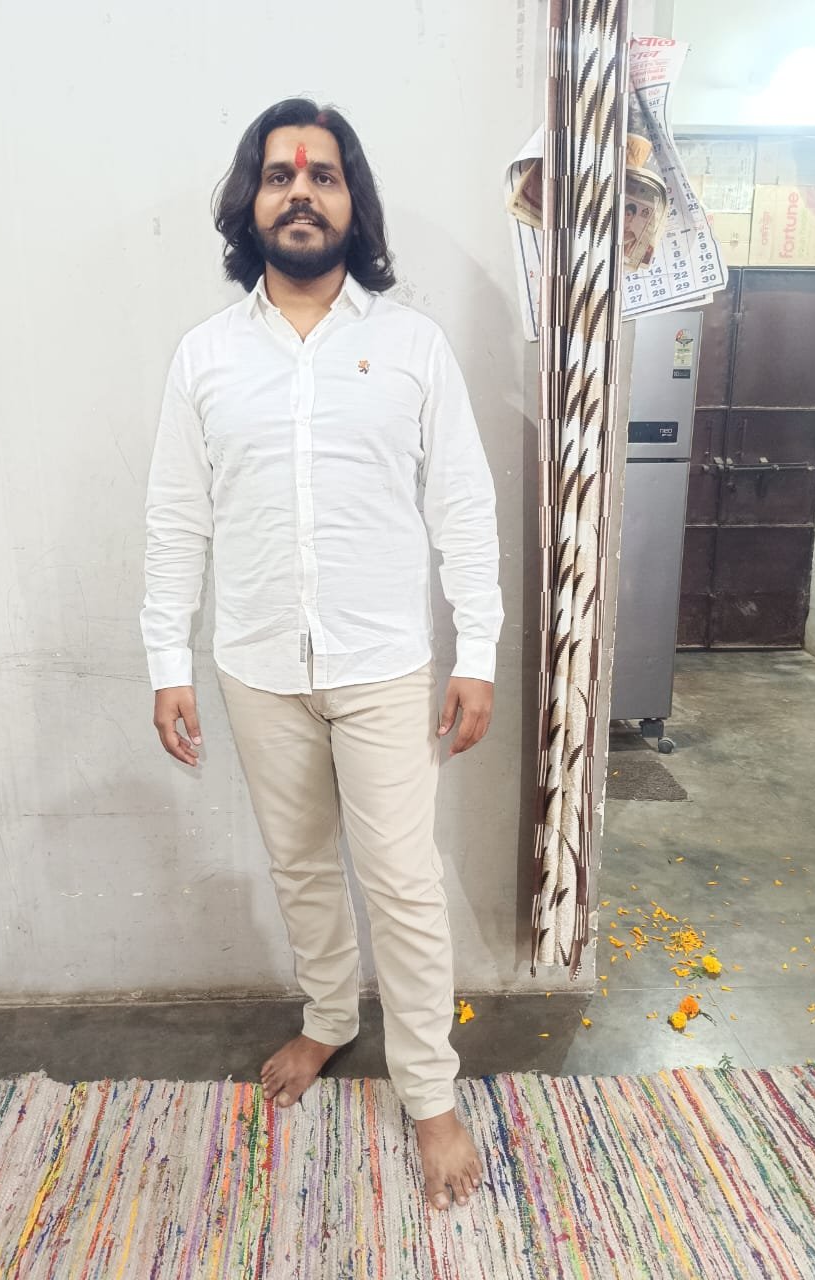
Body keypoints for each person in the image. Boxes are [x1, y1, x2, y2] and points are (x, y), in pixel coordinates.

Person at [140, 97, 503, 1212]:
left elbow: (463, 505)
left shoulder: (412, 346)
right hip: (256, 665)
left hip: (383, 663)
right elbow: (176, 519)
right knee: (300, 866)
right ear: (250, 203)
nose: (301, 190)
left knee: (403, 885)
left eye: (324, 174)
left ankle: (429, 1093)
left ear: (354, 203)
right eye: (280, 174)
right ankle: (331, 1017)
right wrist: (167, 661)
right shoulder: (206, 357)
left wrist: (478, 649)